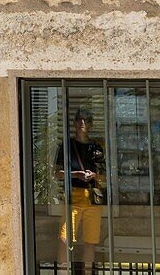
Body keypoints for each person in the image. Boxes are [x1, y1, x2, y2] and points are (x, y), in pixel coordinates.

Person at [53, 108, 106, 274]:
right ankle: (63, 272)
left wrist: (94, 175)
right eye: (80, 120)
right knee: (65, 238)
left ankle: (88, 272)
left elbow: (105, 176)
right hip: (73, 196)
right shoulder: (67, 146)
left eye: (86, 120)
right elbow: (57, 173)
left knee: (91, 241)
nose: (83, 123)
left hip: (92, 197)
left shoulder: (96, 147)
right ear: (75, 123)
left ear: (91, 124)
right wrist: (76, 174)